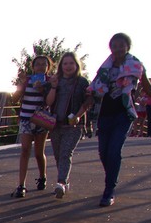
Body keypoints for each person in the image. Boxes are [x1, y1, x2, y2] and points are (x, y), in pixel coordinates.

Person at [89, 33, 151, 206]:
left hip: (123, 114)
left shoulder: (135, 66)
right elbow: (93, 88)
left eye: (121, 45)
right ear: (110, 48)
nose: (118, 49)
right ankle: (111, 177)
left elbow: (147, 87)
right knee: (103, 153)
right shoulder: (104, 68)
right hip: (104, 113)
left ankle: (109, 190)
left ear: (128, 47)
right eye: (114, 46)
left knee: (114, 151)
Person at [45, 52, 93, 198]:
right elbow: (48, 102)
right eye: (65, 63)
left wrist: (78, 115)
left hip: (74, 125)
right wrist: (53, 87)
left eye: (71, 63)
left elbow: (88, 102)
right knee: (58, 155)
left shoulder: (82, 82)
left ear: (76, 65)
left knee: (66, 153)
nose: (68, 66)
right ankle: (64, 181)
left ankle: (61, 182)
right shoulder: (55, 80)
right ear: (61, 66)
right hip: (56, 124)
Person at [9, 55, 53, 198]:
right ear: (33, 67)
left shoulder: (50, 81)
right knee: (25, 150)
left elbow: (50, 101)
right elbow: (14, 99)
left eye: (43, 64)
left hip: (41, 120)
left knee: (39, 152)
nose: (40, 67)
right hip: (26, 119)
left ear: (48, 67)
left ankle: (42, 177)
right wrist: (22, 85)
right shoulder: (27, 80)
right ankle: (21, 185)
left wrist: (43, 89)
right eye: (37, 64)